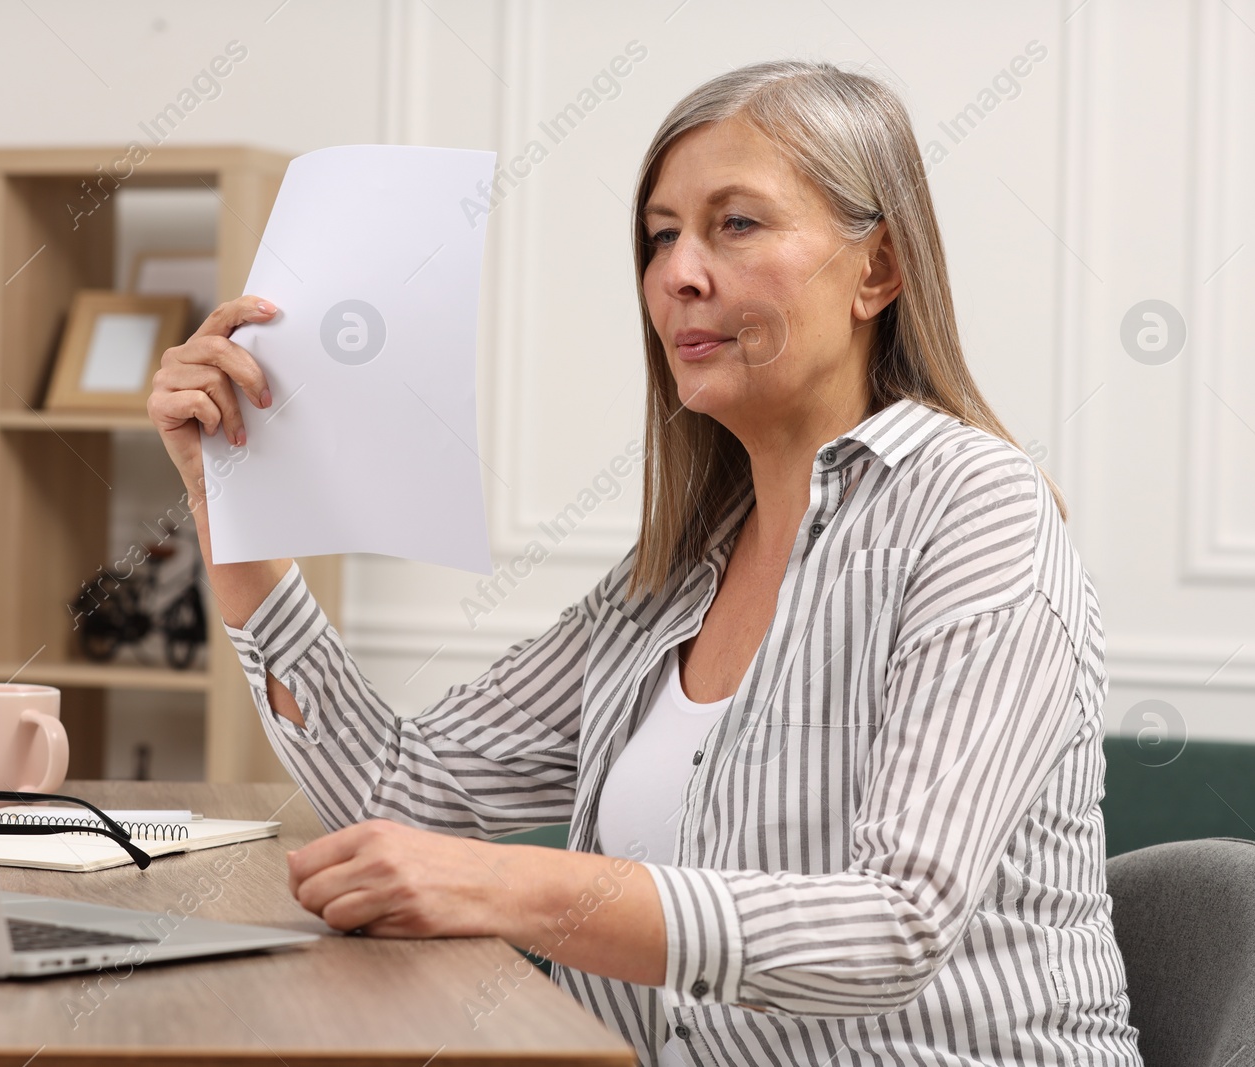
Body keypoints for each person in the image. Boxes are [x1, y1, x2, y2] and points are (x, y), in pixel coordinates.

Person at [149, 58, 1141, 1067]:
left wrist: (509, 884)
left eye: (736, 224)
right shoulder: (674, 572)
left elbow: (895, 922)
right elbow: (405, 793)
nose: (678, 272)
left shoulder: (975, 508)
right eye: (661, 234)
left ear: (876, 270)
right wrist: (230, 501)